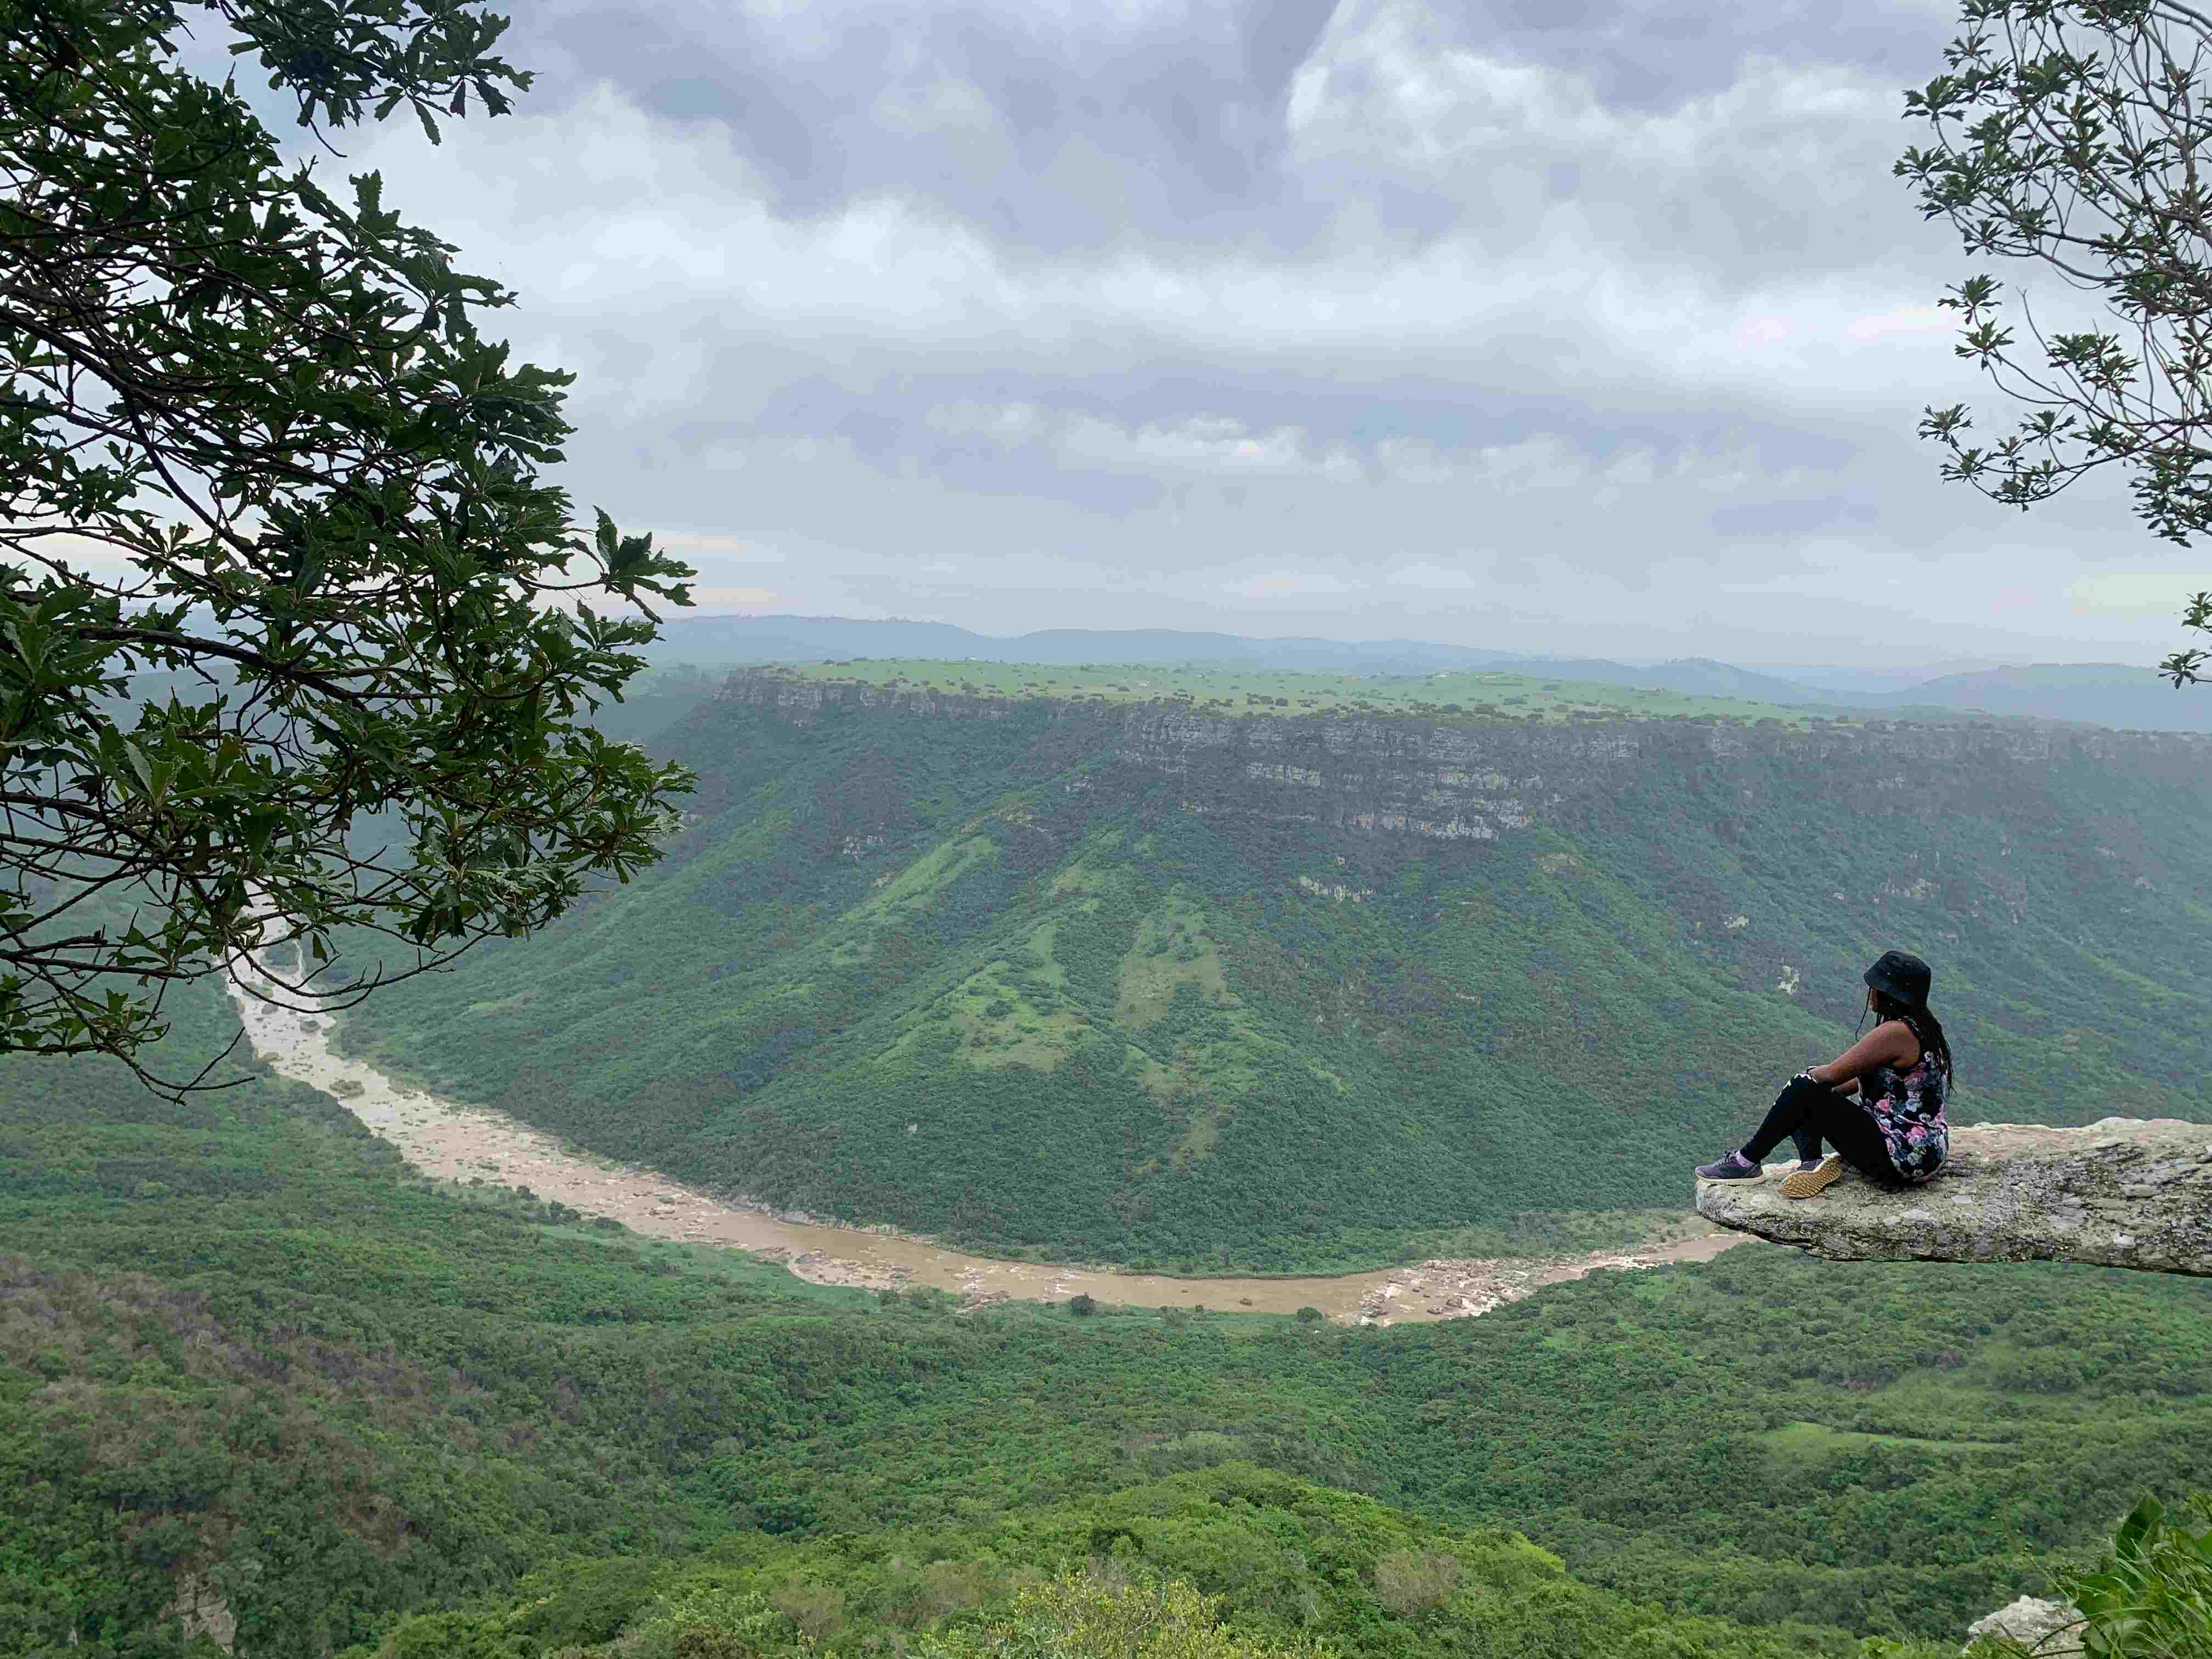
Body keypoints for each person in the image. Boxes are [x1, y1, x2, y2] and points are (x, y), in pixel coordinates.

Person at [1695, 949, 1954, 1199]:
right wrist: (1816, 1094)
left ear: (1887, 993)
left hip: (1900, 1156)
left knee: (1802, 1085)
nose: (1870, 993)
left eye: (1874, 987)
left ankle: (1746, 1162)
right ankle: (1812, 1165)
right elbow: (1865, 1081)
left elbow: (1830, 1075)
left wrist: (1808, 1083)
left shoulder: (1895, 1033)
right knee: (1805, 1094)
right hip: (1924, 1153)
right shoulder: (1924, 1028)